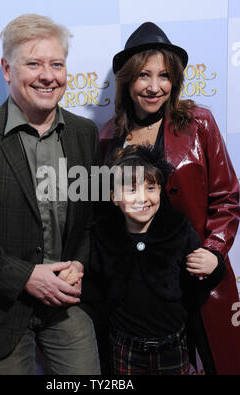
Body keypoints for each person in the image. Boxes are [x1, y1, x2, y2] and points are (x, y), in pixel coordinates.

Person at [0, 14, 101, 375]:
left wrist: (79, 262)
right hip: (1, 311)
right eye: (34, 63)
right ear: (7, 70)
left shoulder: (84, 134)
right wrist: (25, 276)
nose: (48, 75)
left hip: (68, 304)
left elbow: (92, 219)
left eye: (56, 64)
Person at [99, 22, 240, 374]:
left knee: (217, 361)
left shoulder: (200, 123)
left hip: (198, 276)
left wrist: (214, 250)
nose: (154, 86)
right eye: (144, 75)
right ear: (127, 80)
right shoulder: (108, 138)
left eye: (164, 76)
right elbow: (105, 215)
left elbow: (227, 197)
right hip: (141, 296)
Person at [86, 144, 225, 375]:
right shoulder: (105, 234)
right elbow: (97, 284)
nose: (142, 198)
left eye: (150, 187)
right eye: (131, 190)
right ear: (114, 197)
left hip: (172, 346)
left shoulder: (177, 228)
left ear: (160, 189)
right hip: (124, 347)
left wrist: (214, 267)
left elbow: (197, 283)